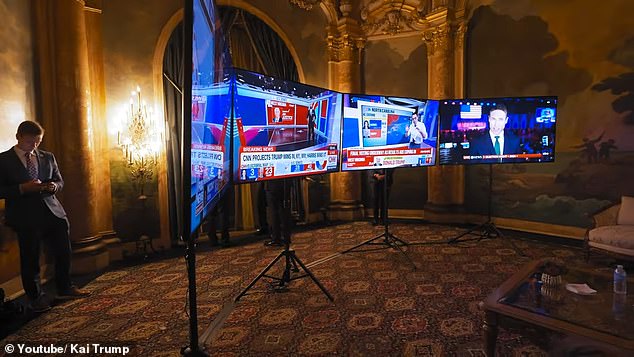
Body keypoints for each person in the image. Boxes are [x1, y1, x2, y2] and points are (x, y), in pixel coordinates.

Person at [0, 121, 90, 313]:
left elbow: (59, 180)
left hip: (53, 212)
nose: (33, 146)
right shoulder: (3, 160)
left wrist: (54, 187)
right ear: (18, 137)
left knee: (63, 251)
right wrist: (23, 188)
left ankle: (65, 287)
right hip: (25, 216)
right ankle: (36, 297)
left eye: (37, 142)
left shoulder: (48, 157)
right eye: (30, 142)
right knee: (30, 258)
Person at [264, 179, 292, 247]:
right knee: (284, 210)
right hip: (285, 183)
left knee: (274, 211)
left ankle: (276, 238)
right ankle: (286, 237)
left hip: (273, 184)